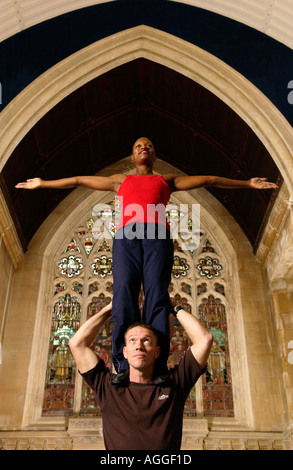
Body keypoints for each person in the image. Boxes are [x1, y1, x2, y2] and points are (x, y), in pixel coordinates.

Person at [15, 137, 278, 382]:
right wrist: (43, 183)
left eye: (149, 146)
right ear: (132, 156)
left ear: (154, 155)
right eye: (139, 145)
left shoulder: (166, 180)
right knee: (123, 294)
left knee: (156, 294)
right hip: (126, 237)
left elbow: (208, 179)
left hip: (157, 236)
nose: (144, 148)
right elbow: (77, 180)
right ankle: (123, 364)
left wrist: (247, 184)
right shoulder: (120, 181)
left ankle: (158, 365)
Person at [68, 301, 214, 450]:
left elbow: (205, 340)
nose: (139, 346)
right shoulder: (108, 388)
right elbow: (76, 344)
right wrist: (109, 309)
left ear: (157, 351)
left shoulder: (174, 385)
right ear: (124, 352)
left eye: (146, 340)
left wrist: (175, 307)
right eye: (133, 340)